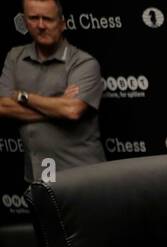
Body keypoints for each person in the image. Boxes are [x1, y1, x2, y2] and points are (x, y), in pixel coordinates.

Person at [0, 0, 106, 184]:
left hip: (83, 175)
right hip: (38, 175)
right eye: (34, 18)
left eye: (47, 19)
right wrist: (57, 106)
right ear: (25, 22)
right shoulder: (14, 57)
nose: (40, 25)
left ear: (62, 24)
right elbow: (2, 106)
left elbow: (71, 111)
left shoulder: (83, 62)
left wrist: (22, 96)